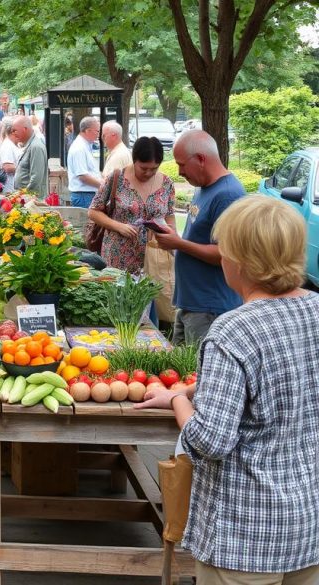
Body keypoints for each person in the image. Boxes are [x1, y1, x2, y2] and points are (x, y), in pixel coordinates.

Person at [134, 195, 319, 585]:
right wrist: (188, 390)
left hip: (244, 533)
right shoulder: (314, 309)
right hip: (307, 524)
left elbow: (210, 440)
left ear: (240, 261)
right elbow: (282, 379)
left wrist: (181, 402)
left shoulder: (234, 330)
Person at [154, 130, 245, 344]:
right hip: (191, 303)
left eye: (182, 165)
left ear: (201, 159)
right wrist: (173, 240)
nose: (179, 171)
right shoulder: (202, 187)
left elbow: (226, 254)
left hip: (210, 308)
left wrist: (179, 244)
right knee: (181, 374)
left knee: (198, 372)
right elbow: (197, 238)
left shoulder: (228, 195)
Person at [88, 137, 175, 274]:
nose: (148, 173)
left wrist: (172, 241)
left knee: (151, 294)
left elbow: (169, 215)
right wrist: (119, 226)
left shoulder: (167, 183)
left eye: (154, 169)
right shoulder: (117, 177)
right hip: (118, 254)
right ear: (134, 161)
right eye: (143, 168)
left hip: (153, 255)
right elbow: (93, 211)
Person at [66, 116, 102, 208]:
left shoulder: (85, 146)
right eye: (97, 131)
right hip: (84, 196)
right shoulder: (79, 148)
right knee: (87, 222)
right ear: (88, 130)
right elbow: (83, 177)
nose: (99, 134)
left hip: (86, 195)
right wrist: (104, 185)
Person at [14, 116, 48, 198]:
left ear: (24, 129)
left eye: (15, 130)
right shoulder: (31, 145)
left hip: (31, 201)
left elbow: (36, 178)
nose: (13, 133)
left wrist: (25, 196)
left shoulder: (36, 146)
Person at [0, 116, 22, 192]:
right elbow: (8, 167)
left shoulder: (13, 144)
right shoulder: (7, 145)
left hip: (15, 187)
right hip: (11, 188)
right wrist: (27, 169)